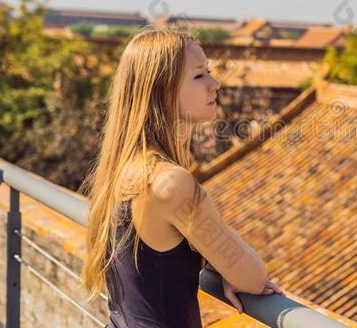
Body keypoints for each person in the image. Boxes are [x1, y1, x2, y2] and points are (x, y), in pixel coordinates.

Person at [79, 28, 285, 328]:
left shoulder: (127, 168)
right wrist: (228, 266)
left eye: (210, 72)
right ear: (163, 90)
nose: (215, 83)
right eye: (200, 75)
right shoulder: (171, 184)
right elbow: (252, 277)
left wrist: (216, 259)